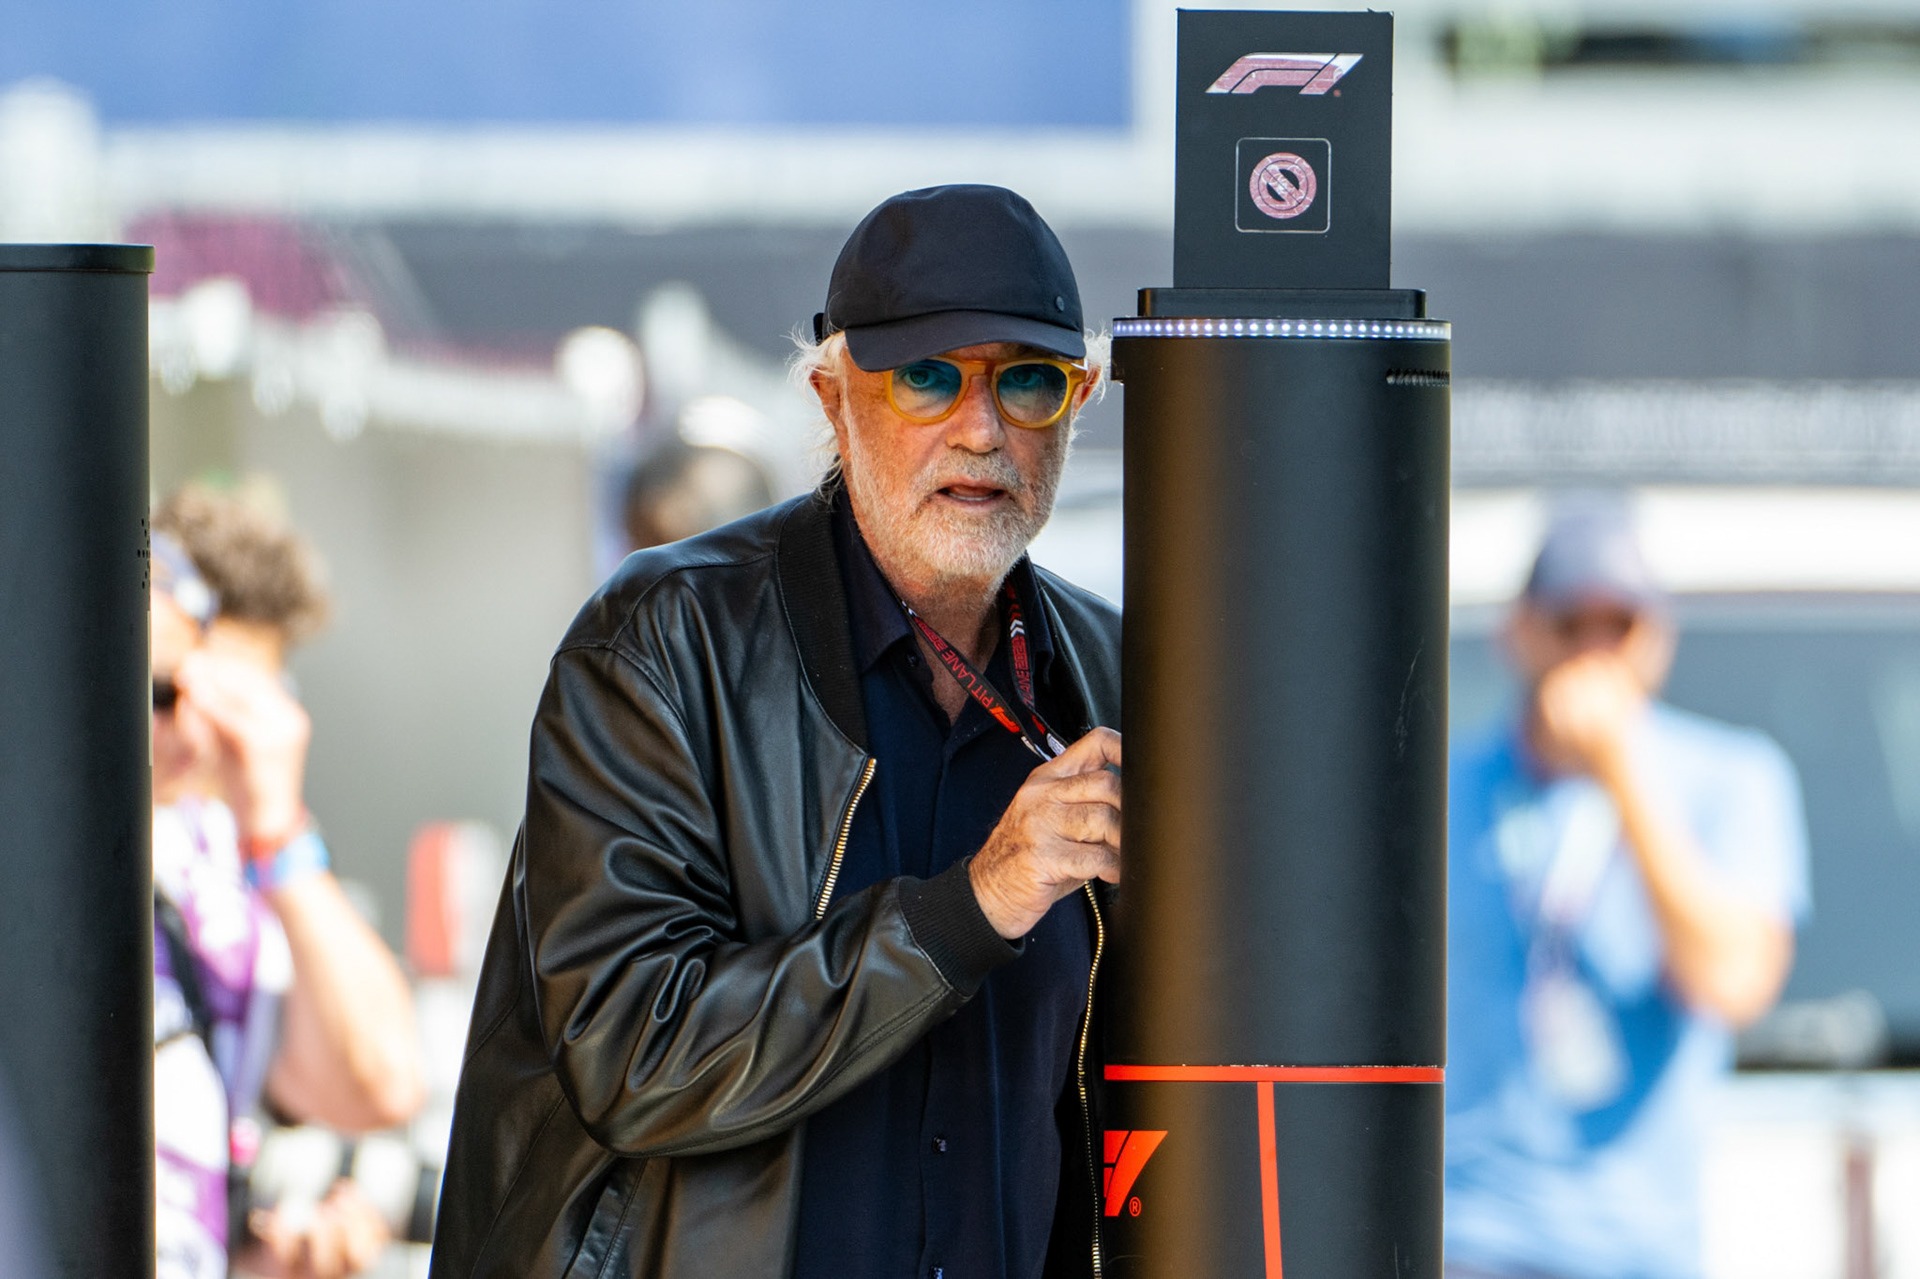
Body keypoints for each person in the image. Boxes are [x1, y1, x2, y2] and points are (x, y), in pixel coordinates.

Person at [431, 184, 1122, 1279]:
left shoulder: (1113, 676)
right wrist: (971, 905)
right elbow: (632, 1050)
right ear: (834, 400)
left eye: (1027, 381)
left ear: (1077, 401)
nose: (982, 428)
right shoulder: (664, 642)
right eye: (929, 378)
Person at [1445, 505, 1810, 1279]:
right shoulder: (1446, 786)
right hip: (1469, 1231)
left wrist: (1623, 772)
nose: (1594, 651)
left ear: (1660, 640)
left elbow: (1733, 980)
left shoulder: (1733, 778)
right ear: (1519, 632)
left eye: (1621, 626)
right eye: (1571, 623)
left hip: (1641, 1246)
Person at [150, 495, 425, 1279]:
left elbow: (379, 1083)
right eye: (168, 692)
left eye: (245, 705)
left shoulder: (223, 861)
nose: (204, 733)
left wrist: (278, 831)